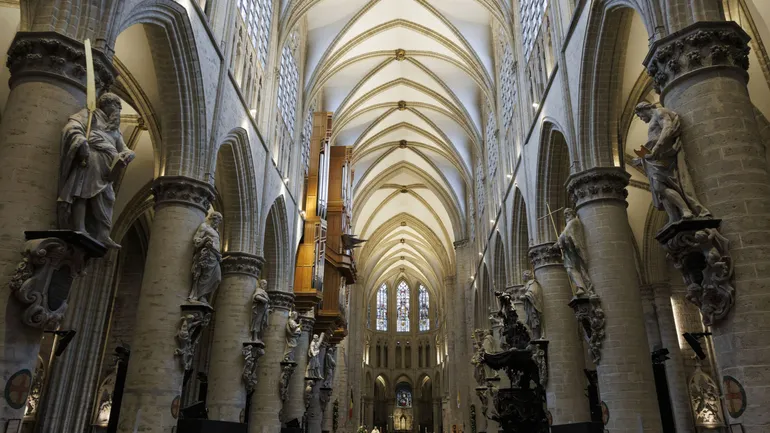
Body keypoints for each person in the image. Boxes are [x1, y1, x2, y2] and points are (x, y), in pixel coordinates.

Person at [58, 92, 135, 248]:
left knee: (109, 198)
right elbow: (72, 126)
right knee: (83, 193)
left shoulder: (115, 129)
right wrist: (81, 142)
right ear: (106, 105)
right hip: (92, 159)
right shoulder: (90, 115)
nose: (118, 111)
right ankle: (79, 227)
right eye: (116, 106)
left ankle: (103, 234)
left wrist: (129, 154)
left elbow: (124, 148)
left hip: (107, 167)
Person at [632, 102, 710, 224]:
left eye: (640, 116)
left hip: (663, 154)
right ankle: (675, 217)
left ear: (644, 109)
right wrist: (641, 158)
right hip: (654, 157)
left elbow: (667, 128)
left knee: (660, 186)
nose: (642, 119)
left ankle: (686, 210)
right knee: (660, 189)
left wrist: (657, 147)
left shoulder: (659, 112)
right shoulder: (653, 118)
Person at [189, 211, 223, 306]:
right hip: (207, 255)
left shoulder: (216, 231)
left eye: (219, 221)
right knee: (205, 276)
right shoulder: (204, 226)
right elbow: (196, 240)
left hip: (215, 256)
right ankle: (199, 296)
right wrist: (205, 239)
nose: (217, 223)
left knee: (217, 278)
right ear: (212, 218)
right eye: (217, 220)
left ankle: (203, 295)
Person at [557, 208, 592, 297]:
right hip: (569, 251)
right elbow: (564, 234)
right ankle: (582, 287)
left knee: (578, 268)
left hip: (574, 249)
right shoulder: (570, 223)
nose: (566, 215)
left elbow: (565, 234)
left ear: (572, 213)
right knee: (570, 269)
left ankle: (584, 287)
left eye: (567, 213)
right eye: (565, 214)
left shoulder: (573, 222)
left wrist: (558, 243)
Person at [520, 270, 544, 339]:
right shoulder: (528, 284)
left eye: (523, 276)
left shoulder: (533, 283)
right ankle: (535, 337)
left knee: (535, 321)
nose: (522, 278)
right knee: (532, 322)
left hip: (533, 307)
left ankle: (537, 337)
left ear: (526, 276)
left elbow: (533, 292)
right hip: (529, 307)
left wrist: (524, 296)